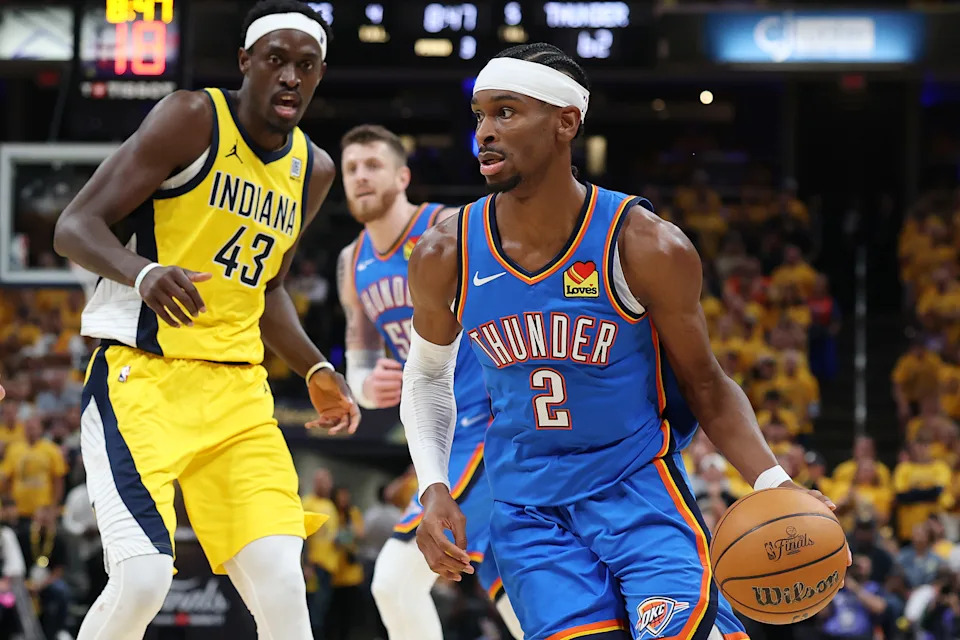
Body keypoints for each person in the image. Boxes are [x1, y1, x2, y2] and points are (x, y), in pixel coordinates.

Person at [399, 43, 848, 639]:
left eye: (507, 112)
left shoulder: (645, 245)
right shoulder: (444, 251)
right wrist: (433, 487)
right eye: (480, 115)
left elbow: (706, 383)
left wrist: (775, 482)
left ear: (566, 123)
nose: (485, 131)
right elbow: (429, 376)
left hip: (637, 492)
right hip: (529, 514)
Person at [52, 2, 359, 638]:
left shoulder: (315, 168)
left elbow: (267, 286)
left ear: (320, 75)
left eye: (306, 66)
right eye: (276, 60)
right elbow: (73, 226)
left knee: (280, 578)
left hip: (238, 395)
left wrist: (315, 366)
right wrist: (142, 273)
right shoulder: (193, 117)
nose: (290, 78)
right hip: (143, 381)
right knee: (141, 581)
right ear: (245, 62)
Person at [336, 124, 522, 639]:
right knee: (517, 598)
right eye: (351, 168)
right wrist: (366, 386)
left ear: (402, 176)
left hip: (489, 422)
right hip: (442, 434)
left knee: (394, 583)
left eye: (373, 165)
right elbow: (360, 361)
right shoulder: (351, 262)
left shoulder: (444, 227)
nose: (360, 176)